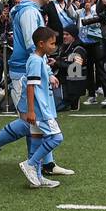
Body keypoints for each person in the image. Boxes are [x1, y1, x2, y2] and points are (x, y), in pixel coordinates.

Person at [0, 0, 73, 179]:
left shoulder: (29, 10)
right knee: (30, 121)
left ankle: (45, 164)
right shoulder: (29, 12)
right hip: (24, 72)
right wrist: (46, 71)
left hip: (26, 69)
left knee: (38, 119)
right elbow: (33, 46)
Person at [19, 27, 65, 189]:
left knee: (37, 142)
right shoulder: (36, 61)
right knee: (57, 137)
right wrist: (31, 110)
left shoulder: (39, 59)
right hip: (40, 111)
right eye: (52, 44)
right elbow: (30, 87)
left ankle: (37, 178)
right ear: (41, 44)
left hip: (40, 109)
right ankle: (30, 164)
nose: (54, 46)